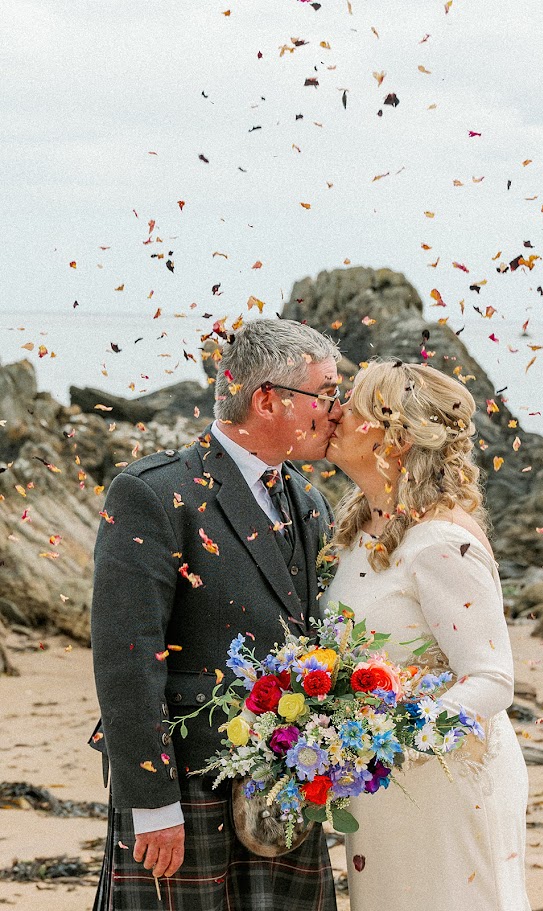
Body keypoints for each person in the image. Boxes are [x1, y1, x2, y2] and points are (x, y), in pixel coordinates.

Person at [89, 318, 341, 911]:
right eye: (326, 393)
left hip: (281, 781)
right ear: (266, 400)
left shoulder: (308, 502)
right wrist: (152, 805)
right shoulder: (152, 492)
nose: (336, 409)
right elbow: (126, 658)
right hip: (186, 783)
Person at [324, 358, 531, 911]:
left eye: (354, 404)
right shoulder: (361, 529)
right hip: (384, 786)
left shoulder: (439, 542)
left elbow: (491, 680)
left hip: (445, 779)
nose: (335, 411)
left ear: (396, 436)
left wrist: (389, 742)